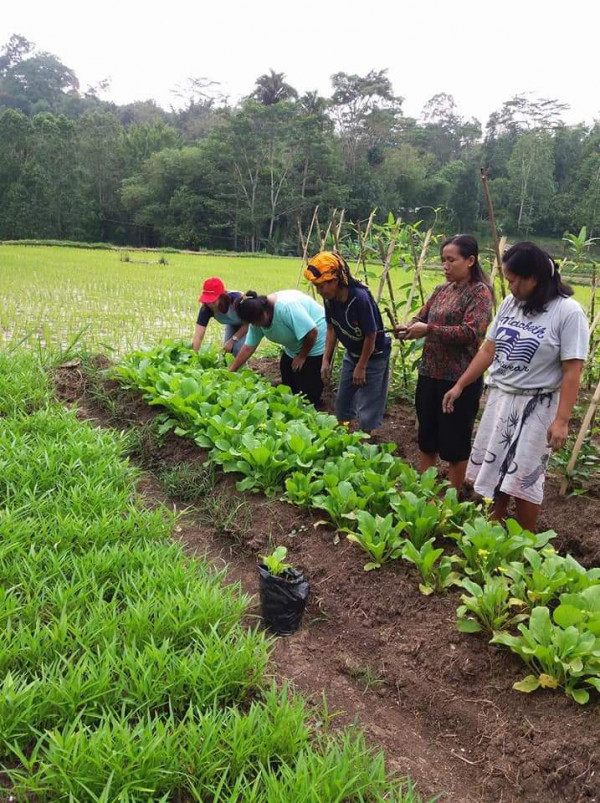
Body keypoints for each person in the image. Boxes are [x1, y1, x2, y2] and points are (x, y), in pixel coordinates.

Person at [442, 242, 589, 530]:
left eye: (512, 280)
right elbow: (488, 349)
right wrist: (460, 384)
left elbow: (573, 370)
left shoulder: (567, 312)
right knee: (496, 471)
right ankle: (492, 532)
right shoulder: (512, 303)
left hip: (538, 405)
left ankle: (525, 541)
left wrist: (561, 421)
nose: (509, 286)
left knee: (523, 477)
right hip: (502, 398)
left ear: (533, 277)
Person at [395, 235, 493, 490]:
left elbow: (471, 333)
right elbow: (422, 315)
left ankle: (453, 498)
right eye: (443, 261)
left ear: (471, 260)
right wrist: (408, 327)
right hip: (430, 374)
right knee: (427, 435)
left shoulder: (480, 293)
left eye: (451, 260)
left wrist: (428, 329)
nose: (445, 266)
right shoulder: (441, 290)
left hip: (459, 379)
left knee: (455, 443)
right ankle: (424, 492)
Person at [304, 251, 391, 433]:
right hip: (352, 355)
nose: (319, 291)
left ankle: (366, 445)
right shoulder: (330, 300)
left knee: (368, 407)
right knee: (342, 403)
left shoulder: (360, 299)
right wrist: (325, 360)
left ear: (335, 281)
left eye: (321, 286)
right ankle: (344, 439)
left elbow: (371, 335)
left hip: (374, 356)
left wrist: (362, 366)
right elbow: (331, 328)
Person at [228, 289, 327, 406]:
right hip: (294, 345)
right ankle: (295, 407)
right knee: (288, 375)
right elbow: (248, 347)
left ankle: (314, 406)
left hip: (316, 339)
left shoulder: (285, 307)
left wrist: (302, 355)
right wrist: (231, 370)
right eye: (252, 323)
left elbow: (312, 332)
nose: (256, 325)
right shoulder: (256, 318)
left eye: (257, 321)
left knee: (308, 391)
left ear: (265, 311)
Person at [192, 277, 248, 356]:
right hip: (233, 323)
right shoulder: (206, 309)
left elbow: (249, 323)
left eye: (213, 301)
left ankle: (242, 368)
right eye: (207, 301)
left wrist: (233, 340)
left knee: (238, 349)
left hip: (252, 322)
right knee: (228, 351)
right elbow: (198, 336)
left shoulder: (237, 300)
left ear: (221, 296)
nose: (210, 304)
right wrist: (194, 357)